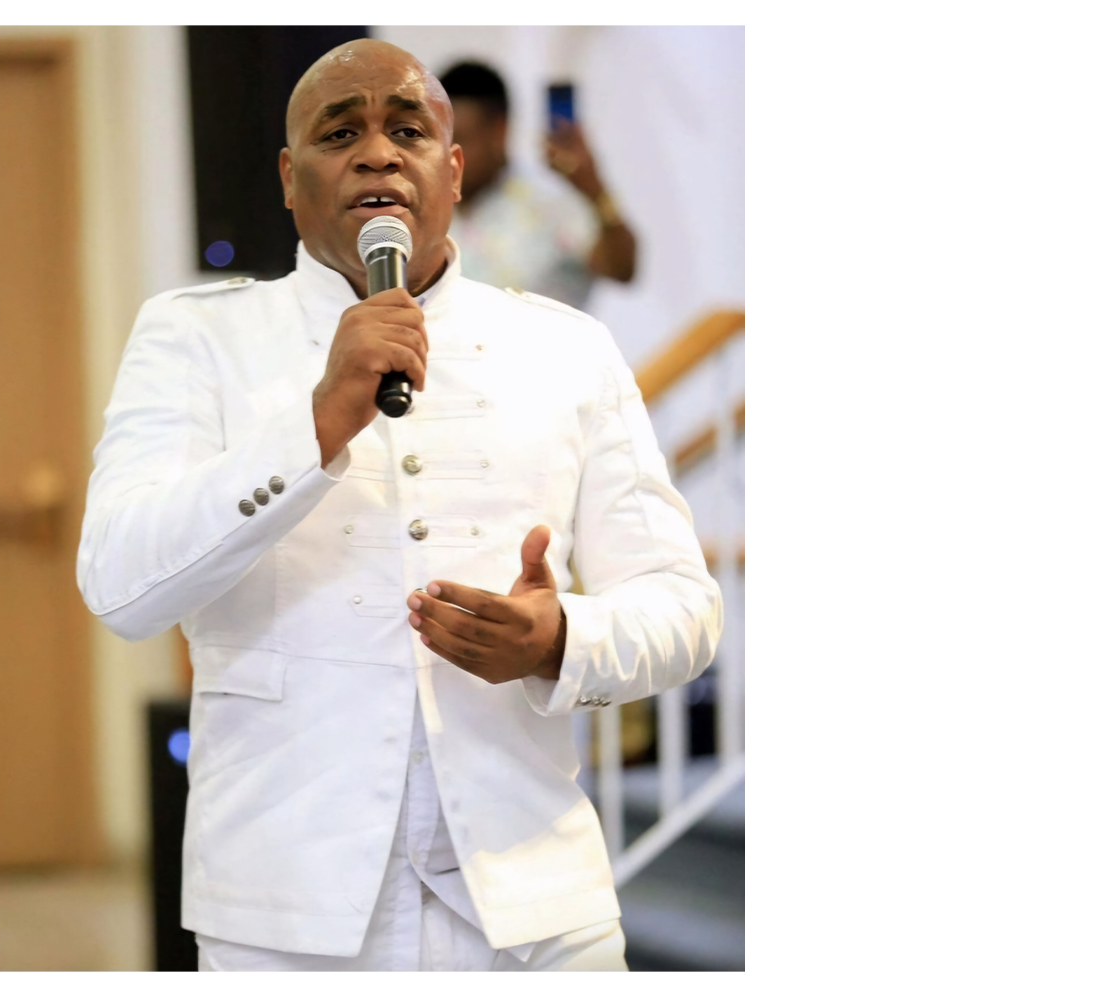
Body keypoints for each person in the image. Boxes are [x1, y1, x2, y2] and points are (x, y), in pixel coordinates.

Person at [77, 38, 720, 972]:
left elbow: (685, 606)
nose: (378, 153)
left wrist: (561, 640)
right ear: (290, 179)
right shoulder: (196, 339)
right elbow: (119, 584)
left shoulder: (567, 349)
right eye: (341, 133)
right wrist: (314, 426)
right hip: (284, 919)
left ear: (451, 172)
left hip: (540, 918)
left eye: (408, 130)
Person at [440, 61, 638, 309]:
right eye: (439, 142)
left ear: (499, 131)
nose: (448, 156)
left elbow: (622, 269)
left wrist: (594, 188)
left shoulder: (550, 203)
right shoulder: (429, 213)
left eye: (461, 140)